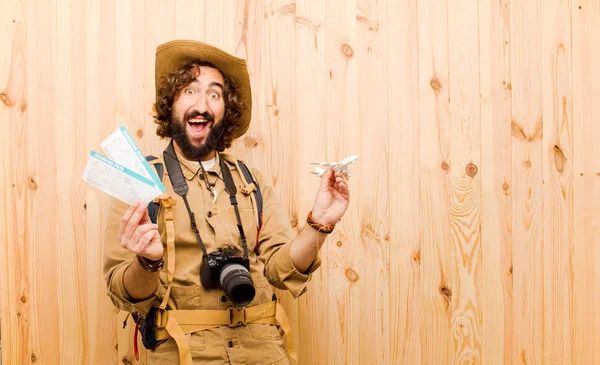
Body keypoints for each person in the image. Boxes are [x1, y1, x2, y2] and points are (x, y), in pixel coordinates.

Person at [102, 39, 351, 365]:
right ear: (171, 104)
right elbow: (123, 292)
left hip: (264, 353)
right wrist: (147, 262)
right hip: (185, 355)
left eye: (214, 94)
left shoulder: (253, 181)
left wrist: (319, 225)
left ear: (225, 111)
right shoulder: (141, 184)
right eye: (189, 91)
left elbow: (280, 271)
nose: (202, 104)